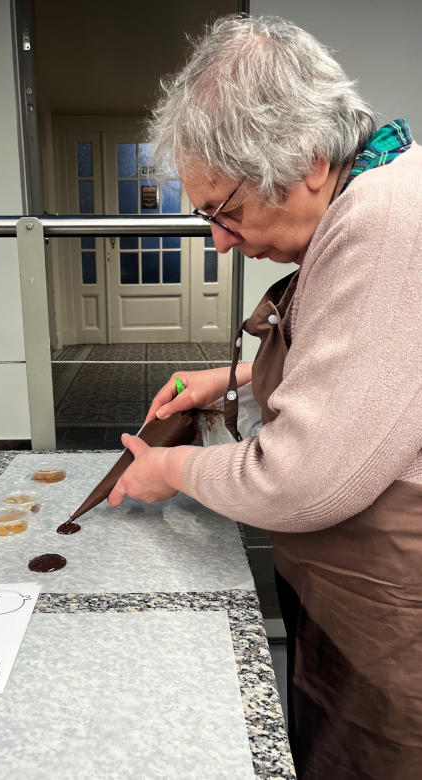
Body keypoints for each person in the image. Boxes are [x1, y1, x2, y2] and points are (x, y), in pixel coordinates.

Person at [107, 15, 422, 779]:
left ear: (309, 160)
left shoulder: (383, 220)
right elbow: (386, 366)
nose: (217, 240)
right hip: (357, 592)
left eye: (225, 209)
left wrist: (169, 471)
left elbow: (301, 479)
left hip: (396, 615)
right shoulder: (383, 188)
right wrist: (239, 376)